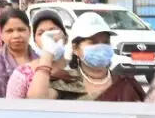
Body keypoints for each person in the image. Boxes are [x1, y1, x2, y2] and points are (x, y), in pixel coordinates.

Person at [9, 11, 144, 102]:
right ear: (75, 49)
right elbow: (36, 100)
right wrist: (48, 53)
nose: (101, 46)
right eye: (93, 42)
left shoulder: (126, 84)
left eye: (105, 42)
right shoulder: (66, 80)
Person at [0, 8, 33, 98]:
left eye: (21, 30)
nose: (16, 35)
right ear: (1, 35)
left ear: (30, 31)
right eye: (9, 31)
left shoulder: (41, 60)